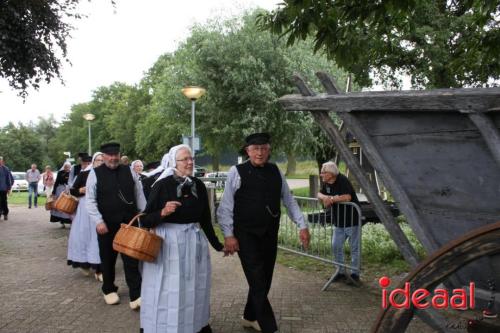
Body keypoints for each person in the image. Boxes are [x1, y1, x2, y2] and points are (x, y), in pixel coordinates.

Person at [217, 133, 310, 333]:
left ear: (269, 151)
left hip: (269, 232)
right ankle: (270, 327)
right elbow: (225, 207)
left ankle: (250, 317)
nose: (259, 153)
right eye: (255, 149)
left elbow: (289, 200)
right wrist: (228, 234)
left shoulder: (276, 171)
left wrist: (302, 225)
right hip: (245, 234)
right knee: (258, 279)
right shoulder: (237, 171)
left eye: (263, 148)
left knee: (265, 278)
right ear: (248, 151)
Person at [140, 144, 224, 333]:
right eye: (185, 159)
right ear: (173, 163)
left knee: (194, 287)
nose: (189, 162)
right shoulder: (162, 185)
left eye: (191, 158)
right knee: (169, 289)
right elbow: (145, 219)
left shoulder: (199, 185)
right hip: (169, 245)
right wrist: (163, 212)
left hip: (194, 243)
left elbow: (205, 219)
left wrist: (217, 245)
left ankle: (194, 326)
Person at [86, 142, 146, 308]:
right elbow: (90, 200)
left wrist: (143, 216)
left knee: (131, 259)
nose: (113, 158)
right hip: (106, 224)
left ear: (119, 155)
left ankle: (136, 294)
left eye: (115, 154)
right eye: (109, 155)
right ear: (104, 156)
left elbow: (139, 194)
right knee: (108, 259)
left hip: (129, 223)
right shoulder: (95, 173)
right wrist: (98, 221)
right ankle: (109, 289)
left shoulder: (130, 171)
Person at [317, 161, 361, 283]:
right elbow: (319, 193)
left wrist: (331, 198)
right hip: (339, 221)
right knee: (336, 246)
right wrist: (325, 197)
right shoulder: (326, 182)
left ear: (330, 173)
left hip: (351, 219)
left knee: (354, 248)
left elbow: (348, 197)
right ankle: (340, 272)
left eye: (323, 172)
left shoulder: (342, 180)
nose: (321, 175)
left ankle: (355, 274)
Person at [67, 153, 103, 281]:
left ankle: (100, 269)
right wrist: (80, 191)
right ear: (93, 161)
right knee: (85, 236)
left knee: (99, 238)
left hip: (101, 209)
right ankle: (84, 263)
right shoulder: (84, 174)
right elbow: (73, 190)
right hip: (85, 209)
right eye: (98, 160)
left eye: (102, 160)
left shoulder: (107, 175)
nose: (100, 162)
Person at [50, 161, 74, 228]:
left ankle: (70, 221)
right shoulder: (60, 173)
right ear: (64, 167)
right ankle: (62, 222)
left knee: (68, 206)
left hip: (68, 190)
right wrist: (54, 192)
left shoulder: (71, 173)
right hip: (60, 190)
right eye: (66, 167)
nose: (67, 168)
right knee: (60, 205)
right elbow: (56, 182)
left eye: (68, 167)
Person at [0, 156, 14, 221]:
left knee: (3, 201)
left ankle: (5, 213)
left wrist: (9, 188)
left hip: (3, 188)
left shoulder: (5, 169)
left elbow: (9, 179)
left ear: (2, 161)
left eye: (0, 160)